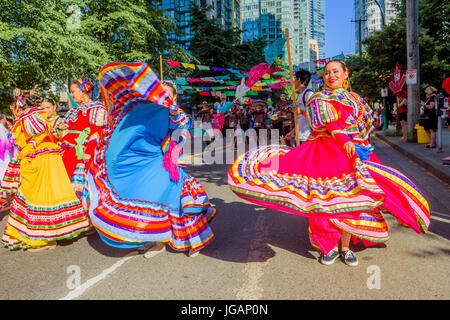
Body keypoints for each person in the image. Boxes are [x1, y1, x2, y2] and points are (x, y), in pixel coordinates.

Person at [228, 59, 430, 267]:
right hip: (324, 153)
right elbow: (331, 123)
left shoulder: (355, 99)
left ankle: (346, 246)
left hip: (352, 154)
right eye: (326, 73)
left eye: (335, 71)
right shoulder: (319, 98)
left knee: (350, 202)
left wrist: (358, 145)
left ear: (345, 74)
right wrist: (344, 140)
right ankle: (329, 246)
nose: (331, 75)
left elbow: (362, 126)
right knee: (321, 201)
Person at [87, 61, 217, 258]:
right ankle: (156, 239)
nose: (161, 97)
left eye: (167, 94)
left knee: (173, 201)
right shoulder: (149, 110)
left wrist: (171, 110)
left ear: (173, 97)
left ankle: (192, 241)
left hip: (169, 164)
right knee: (152, 198)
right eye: (160, 93)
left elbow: (178, 127)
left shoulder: (178, 114)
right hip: (153, 161)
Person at [0, 95, 89, 251]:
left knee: (41, 195)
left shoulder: (30, 116)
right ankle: (50, 237)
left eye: (16, 106)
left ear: (20, 106)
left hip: (41, 159)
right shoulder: (35, 115)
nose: (14, 109)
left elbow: (39, 136)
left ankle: (47, 239)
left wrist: (27, 149)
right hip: (46, 157)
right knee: (48, 195)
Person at [285, 69, 313, 146]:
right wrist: (293, 132)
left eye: (295, 79)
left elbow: (313, 115)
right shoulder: (300, 95)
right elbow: (300, 119)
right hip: (299, 136)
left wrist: (300, 111)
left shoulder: (309, 94)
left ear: (299, 79)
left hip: (307, 136)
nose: (293, 81)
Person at [0, 113, 13, 181]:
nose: (6, 121)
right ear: (2, 119)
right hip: (4, 156)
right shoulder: (1, 128)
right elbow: (6, 145)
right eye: (5, 119)